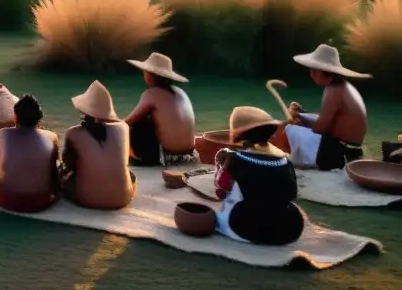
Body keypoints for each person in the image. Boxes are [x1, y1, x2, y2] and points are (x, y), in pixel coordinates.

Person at [213, 106, 305, 245]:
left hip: (245, 226)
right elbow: (292, 194)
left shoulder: (235, 158)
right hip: (288, 228)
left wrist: (221, 165)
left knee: (216, 215)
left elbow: (221, 189)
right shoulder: (284, 160)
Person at [282, 44, 369, 170]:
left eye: (314, 71)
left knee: (289, 129)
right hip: (351, 150)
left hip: (340, 152)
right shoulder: (343, 87)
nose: (311, 74)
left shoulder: (334, 90)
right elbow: (331, 121)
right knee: (300, 122)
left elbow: (321, 128)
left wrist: (300, 121)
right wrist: (302, 115)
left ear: (326, 72)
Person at [0, 94, 60, 212]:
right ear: (39, 117)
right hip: (40, 201)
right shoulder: (52, 137)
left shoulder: (2, 134)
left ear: (16, 117)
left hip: (5, 200)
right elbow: (53, 171)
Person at [61, 81, 137, 210]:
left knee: (63, 180)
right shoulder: (124, 128)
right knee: (131, 176)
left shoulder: (73, 133)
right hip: (124, 198)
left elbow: (68, 166)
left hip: (88, 199)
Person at [124, 53, 197, 166]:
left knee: (136, 126)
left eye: (145, 71)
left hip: (166, 157)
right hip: (188, 155)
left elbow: (127, 122)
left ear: (151, 75)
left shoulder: (151, 94)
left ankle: (136, 158)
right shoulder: (181, 92)